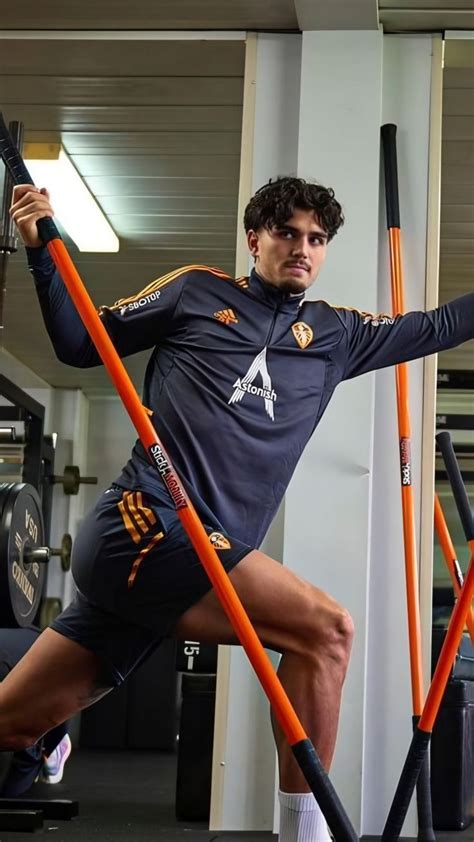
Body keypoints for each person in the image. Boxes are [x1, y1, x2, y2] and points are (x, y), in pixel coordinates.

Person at [4, 176, 474, 841]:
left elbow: (438, 327)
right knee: (327, 631)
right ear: (255, 239)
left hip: (187, 559)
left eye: (316, 238)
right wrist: (38, 247)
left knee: (14, 723)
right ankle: (305, 837)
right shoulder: (197, 292)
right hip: (144, 526)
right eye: (286, 233)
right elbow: (82, 343)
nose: (302, 248)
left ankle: (37, 746)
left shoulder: (335, 335)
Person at [0, 628, 72, 796]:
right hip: (25, 641)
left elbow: (20, 735)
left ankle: (54, 746)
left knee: (11, 793)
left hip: (51, 659)